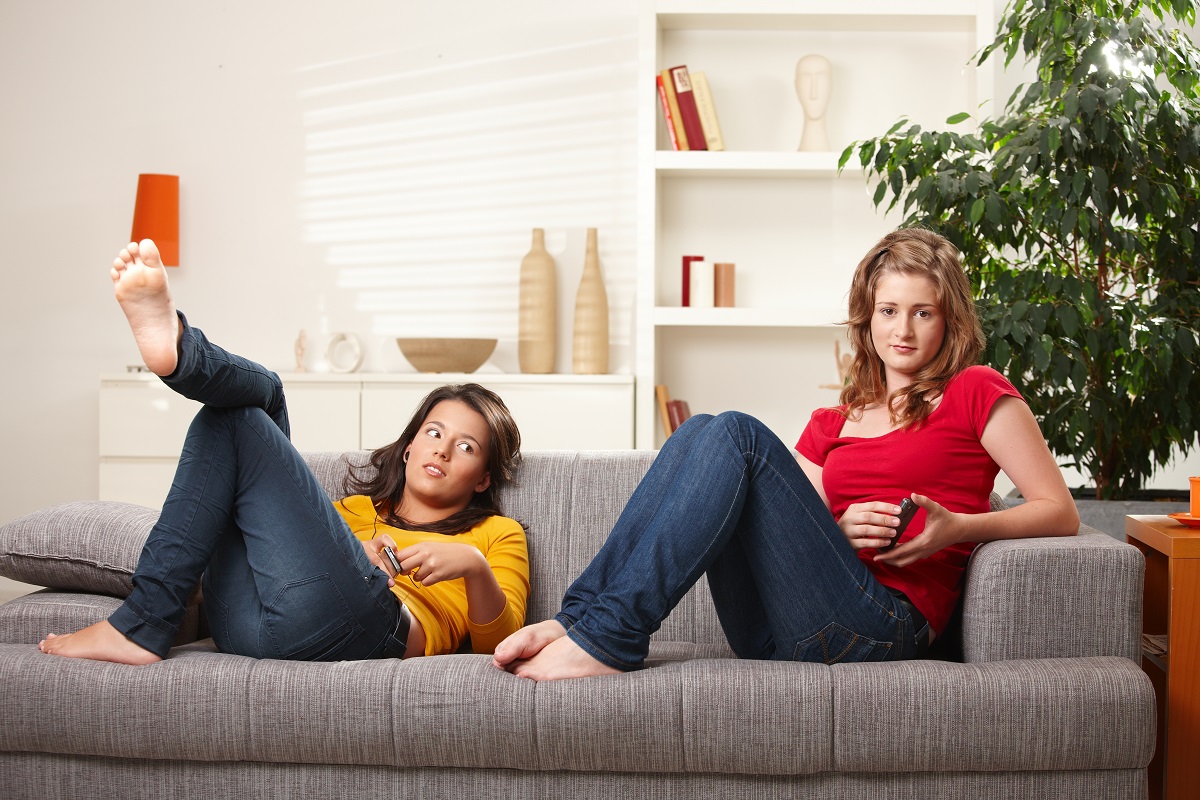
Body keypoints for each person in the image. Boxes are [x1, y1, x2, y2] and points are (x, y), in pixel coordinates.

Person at [493, 227, 1079, 681]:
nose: (903, 330)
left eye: (922, 312)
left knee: (738, 434)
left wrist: (959, 530)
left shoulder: (974, 390)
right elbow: (787, 530)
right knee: (703, 429)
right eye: (888, 311)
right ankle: (581, 619)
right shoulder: (834, 420)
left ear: (948, 320)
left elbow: (1059, 510)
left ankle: (609, 636)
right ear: (868, 317)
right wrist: (837, 528)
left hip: (883, 625)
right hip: (778, 631)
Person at [39, 239, 528, 666]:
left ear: (483, 476)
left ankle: (143, 622)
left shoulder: (494, 535)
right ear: (408, 448)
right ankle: (178, 351)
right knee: (233, 414)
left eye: (465, 446)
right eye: (433, 432)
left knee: (251, 408)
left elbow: (501, 646)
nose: (441, 450)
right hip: (246, 625)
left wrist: (470, 564)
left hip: (371, 630)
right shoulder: (354, 513)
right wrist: (357, 551)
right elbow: (289, 565)